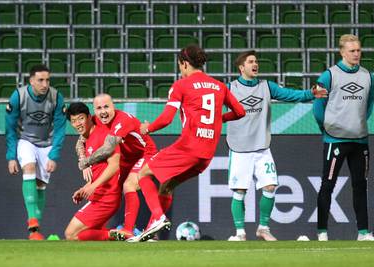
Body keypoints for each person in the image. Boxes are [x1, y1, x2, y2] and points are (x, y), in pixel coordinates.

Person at [132, 44, 246, 242]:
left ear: (184, 64)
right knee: (166, 186)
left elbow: (167, 118)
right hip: (206, 154)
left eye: (179, 65)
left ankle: (158, 218)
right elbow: (240, 112)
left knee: (143, 174)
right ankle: (152, 234)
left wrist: (147, 128)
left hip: (188, 146)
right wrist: (220, 119)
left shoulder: (181, 85)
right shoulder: (219, 86)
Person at [226, 50, 328, 242]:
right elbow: (211, 105)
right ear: (241, 68)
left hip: (262, 147)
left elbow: (289, 95)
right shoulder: (230, 89)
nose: (255, 64)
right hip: (239, 148)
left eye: (256, 61)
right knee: (240, 191)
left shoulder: (266, 86)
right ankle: (240, 232)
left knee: (270, 186)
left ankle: (263, 228)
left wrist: (311, 94)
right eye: (250, 62)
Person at [313, 34, 374, 241]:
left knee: (360, 186)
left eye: (358, 50)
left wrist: (357, 123)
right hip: (335, 139)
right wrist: (327, 128)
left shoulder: (368, 76)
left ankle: (362, 233)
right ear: (342, 52)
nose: (356, 54)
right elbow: (317, 107)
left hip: (360, 140)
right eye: (352, 51)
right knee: (328, 185)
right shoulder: (328, 76)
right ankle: (322, 232)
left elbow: (368, 106)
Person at [76, 94, 162, 240]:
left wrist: (87, 162)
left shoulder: (122, 120)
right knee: (111, 187)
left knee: (128, 185)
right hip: (127, 159)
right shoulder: (96, 121)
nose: (103, 111)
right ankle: (113, 230)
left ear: (114, 107)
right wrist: (82, 159)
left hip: (145, 154)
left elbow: (108, 149)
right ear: (94, 112)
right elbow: (80, 142)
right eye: (99, 108)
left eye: (106, 107)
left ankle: (129, 230)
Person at [5, 64, 66, 240]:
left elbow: (61, 129)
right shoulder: (18, 96)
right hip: (26, 140)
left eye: (47, 80)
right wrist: (11, 157)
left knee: (40, 185)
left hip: (47, 144)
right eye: (40, 80)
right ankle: (32, 220)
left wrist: (54, 155)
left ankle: (35, 231)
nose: (45, 84)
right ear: (31, 81)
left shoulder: (56, 97)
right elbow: (10, 129)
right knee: (29, 168)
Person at [64, 102, 124, 241]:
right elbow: (99, 169)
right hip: (100, 195)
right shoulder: (87, 139)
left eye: (81, 118)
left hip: (106, 197)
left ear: (89, 117)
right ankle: (119, 235)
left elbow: (115, 165)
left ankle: (121, 234)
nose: (78, 123)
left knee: (70, 234)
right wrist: (85, 188)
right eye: (73, 121)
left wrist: (93, 186)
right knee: (88, 237)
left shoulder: (104, 135)